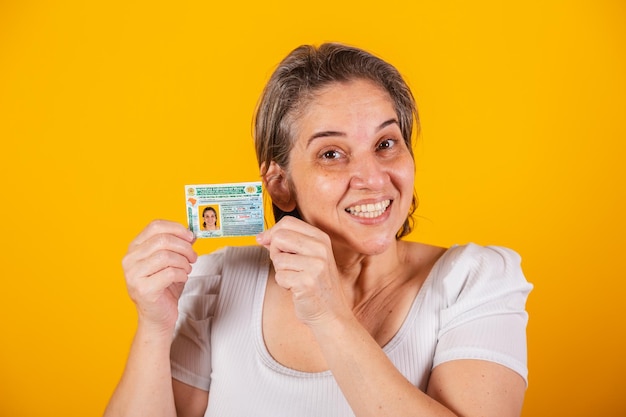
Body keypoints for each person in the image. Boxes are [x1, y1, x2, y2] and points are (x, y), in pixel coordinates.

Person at [104, 43, 532, 417]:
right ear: (280, 184)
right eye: (331, 153)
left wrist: (330, 316)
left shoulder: (475, 281)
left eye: (386, 143)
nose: (372, 177)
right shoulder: (217, 282)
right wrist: (154, 328)